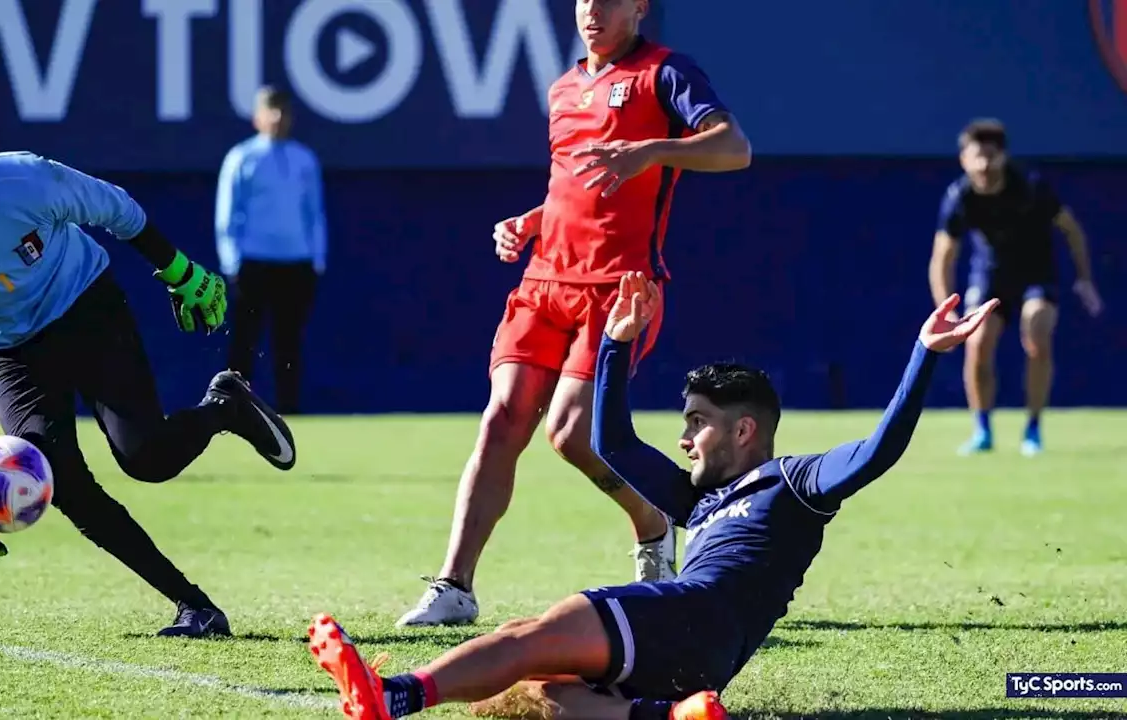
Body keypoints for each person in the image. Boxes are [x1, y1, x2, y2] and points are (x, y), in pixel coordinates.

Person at [309, 272, 999, 720]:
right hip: (706, 659)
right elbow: (612, 444)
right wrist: (614, 347)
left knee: (528, 637)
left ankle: (397, 695)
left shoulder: (793, 482)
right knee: (545, 693)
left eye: (699, 421)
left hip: (693, 613)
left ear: (745, 428)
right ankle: (675, 718)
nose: (688, 436)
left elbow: (878, 451)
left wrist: (924, 355)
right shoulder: (697, 499)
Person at [397, 0, 752, 628]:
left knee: (570, 433)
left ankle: (654, 519)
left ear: (639, 6)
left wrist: (652, 150)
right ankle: (454, 586)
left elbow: (733, 148)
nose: (592, 10)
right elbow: (571, 185)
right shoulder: (564, 85)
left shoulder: (666, 72)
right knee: (502, 418)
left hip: (618, 290)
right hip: (544, 282)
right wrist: (529, 223)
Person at [0, 110, 297, 637]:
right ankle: (195, 607)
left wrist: (178, 270)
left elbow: (117, 209)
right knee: (61, 484)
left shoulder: (21, 180)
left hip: (84, 306)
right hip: (7, 349)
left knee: (146, 458)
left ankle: (226, 406)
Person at [930, 119, 1103, 457]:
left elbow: (1073, 231)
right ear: (963, 159)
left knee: (1037, 334)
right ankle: (982, 430)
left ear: (1004, 156)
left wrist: (1084, 279)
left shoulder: (1032, 187)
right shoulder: (959, 196)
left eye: (991, 156)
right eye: (976, 156)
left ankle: (1033, 429)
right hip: (989, 278)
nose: (983, 165)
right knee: (977, 343)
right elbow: (942, 259)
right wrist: (945, 311)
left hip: (1036, 275)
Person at [215, 86, 326, 415]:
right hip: (253, 263)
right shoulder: (241, 157)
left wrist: (316, 259)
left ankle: (288, 411)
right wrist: (232, 261)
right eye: (270, 110)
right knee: (244, 342)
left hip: (296, 263)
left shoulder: (304, 159)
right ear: (257, 117)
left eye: (283, 111)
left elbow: (314, 213)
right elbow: (227, 213)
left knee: (288, 342)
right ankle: (231, 409)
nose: (277, 118)